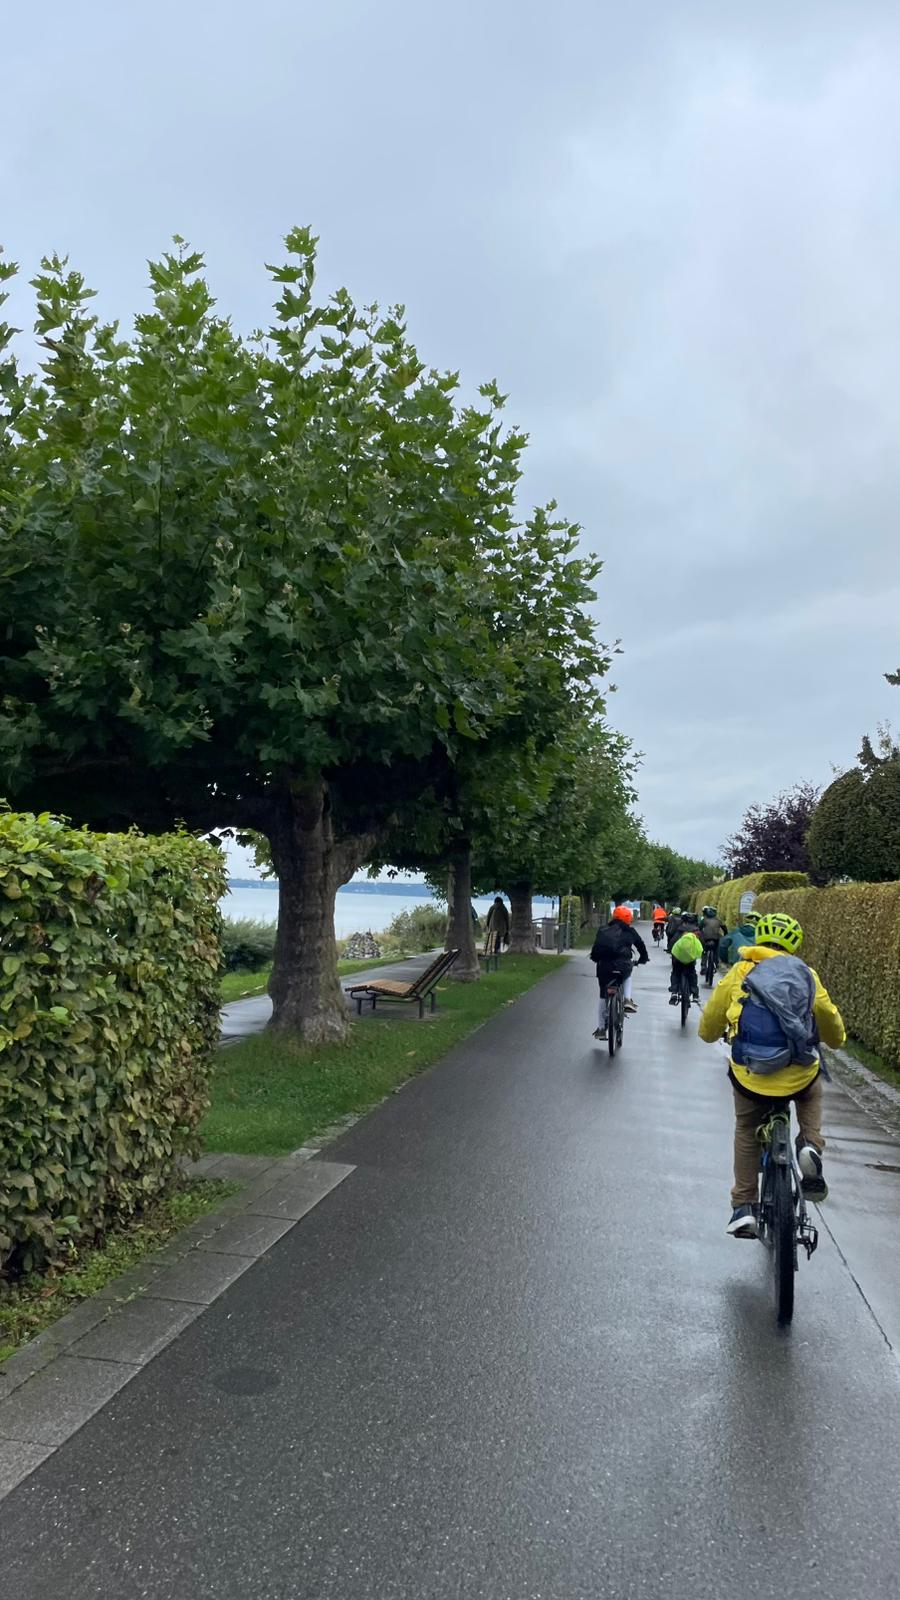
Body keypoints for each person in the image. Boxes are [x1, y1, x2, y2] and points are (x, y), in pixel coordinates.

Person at [698, 911, 846, 1239]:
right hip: (797, 1071)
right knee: (811, 1090)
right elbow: (829, 1019)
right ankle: (809, 1145)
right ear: (795, 944)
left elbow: (712, 1018)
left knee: (747, 1127)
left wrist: (709, 1034)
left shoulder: (740, 970)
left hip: (752, 1074)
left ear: (758, 939)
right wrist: (837, 1041)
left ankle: (744, 1207)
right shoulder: (806, 974)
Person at [589, 906, 649, 1031]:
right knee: (628, 975)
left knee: (602, 996)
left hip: (604, 967)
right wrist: (643, 959)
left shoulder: (603, 929)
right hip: (623, 966)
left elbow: (595, 949)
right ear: (628, 919)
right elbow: (640, 946)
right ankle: (627, 999)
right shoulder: (630, 931)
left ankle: (600, 1028)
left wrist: (596, 959)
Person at [669, 921, 702, 1004]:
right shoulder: (696, 934)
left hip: (677, 957)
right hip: (690, 959)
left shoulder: (680, 930)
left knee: (676, 973)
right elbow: (701, 946)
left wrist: (670, 950)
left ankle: (674, 992)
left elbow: (673, 941)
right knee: (692, 974)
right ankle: (695, 995)